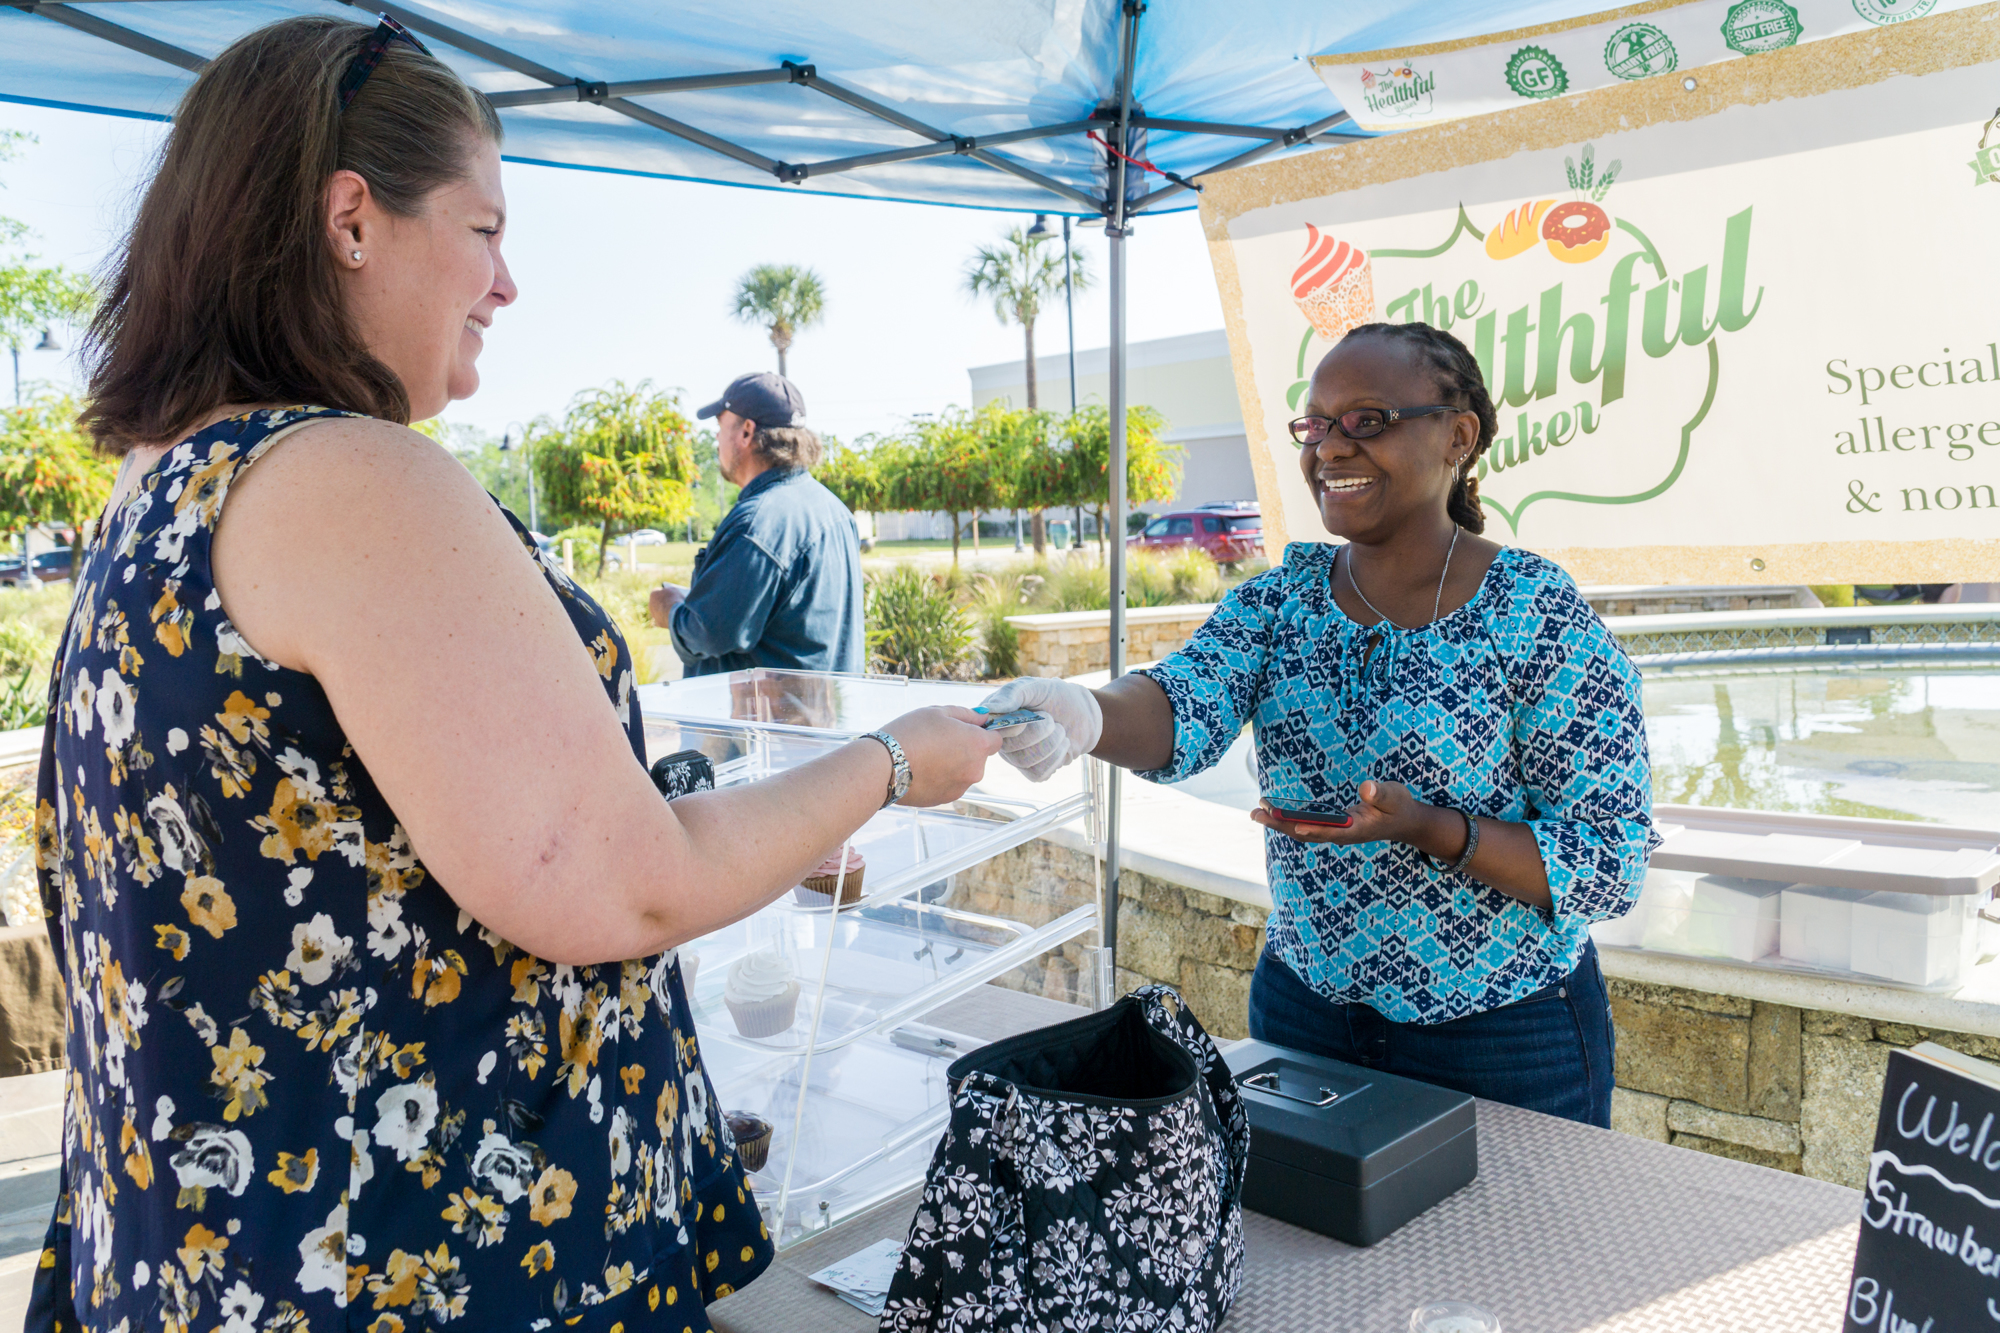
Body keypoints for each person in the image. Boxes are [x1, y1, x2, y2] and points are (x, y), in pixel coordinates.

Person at [30, 18, 999, 1331]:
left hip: (217, 1255)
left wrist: (753, 822)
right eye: (484, 231)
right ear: (352, 219)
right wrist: (888, 765)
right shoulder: (348, 478)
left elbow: (354, 843)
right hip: (417, 1269)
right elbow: (619, 883)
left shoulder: (160, 487)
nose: (508, 285)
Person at [980, 322, 1657, 1126]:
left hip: (1506, 1036)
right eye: (1317, 425)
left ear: (1458, 436)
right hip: (1305, 1017)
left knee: (1521, 1254)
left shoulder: (1535, 613)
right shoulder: (1282, 600)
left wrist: (1431, 828)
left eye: (1367, 421)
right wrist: (1088, 712)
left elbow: (1609, 860)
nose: (1331, 448)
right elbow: (1181, 701)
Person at [648, 372, 864, 676]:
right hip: (820, 716)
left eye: (720, 427)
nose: (717, 439)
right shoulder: (834, 509)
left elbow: (707, 634)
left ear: (746, 432)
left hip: (764, 720)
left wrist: (669, 609)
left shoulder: (758, 523)